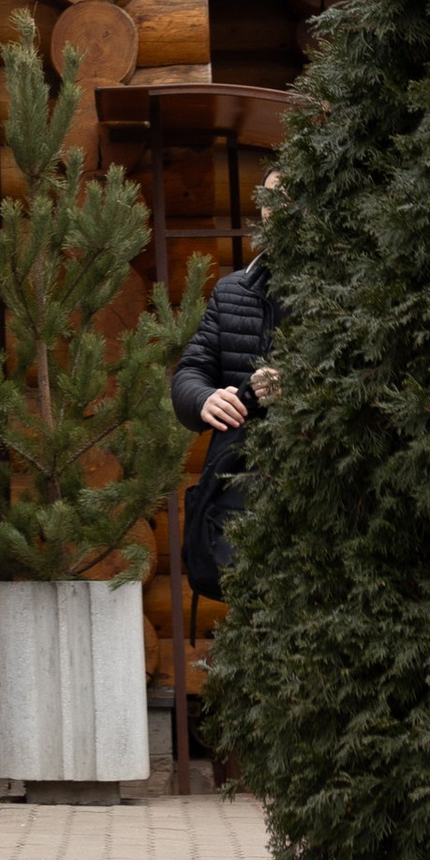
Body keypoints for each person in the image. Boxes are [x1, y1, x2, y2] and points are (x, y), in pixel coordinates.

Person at [169, 171, 286, 601]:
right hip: (243, 505)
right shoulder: (232, 291)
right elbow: (188, 374)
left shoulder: (345, 289)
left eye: (292, 197)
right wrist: (203, 399)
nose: (278, 208)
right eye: (271, 198)